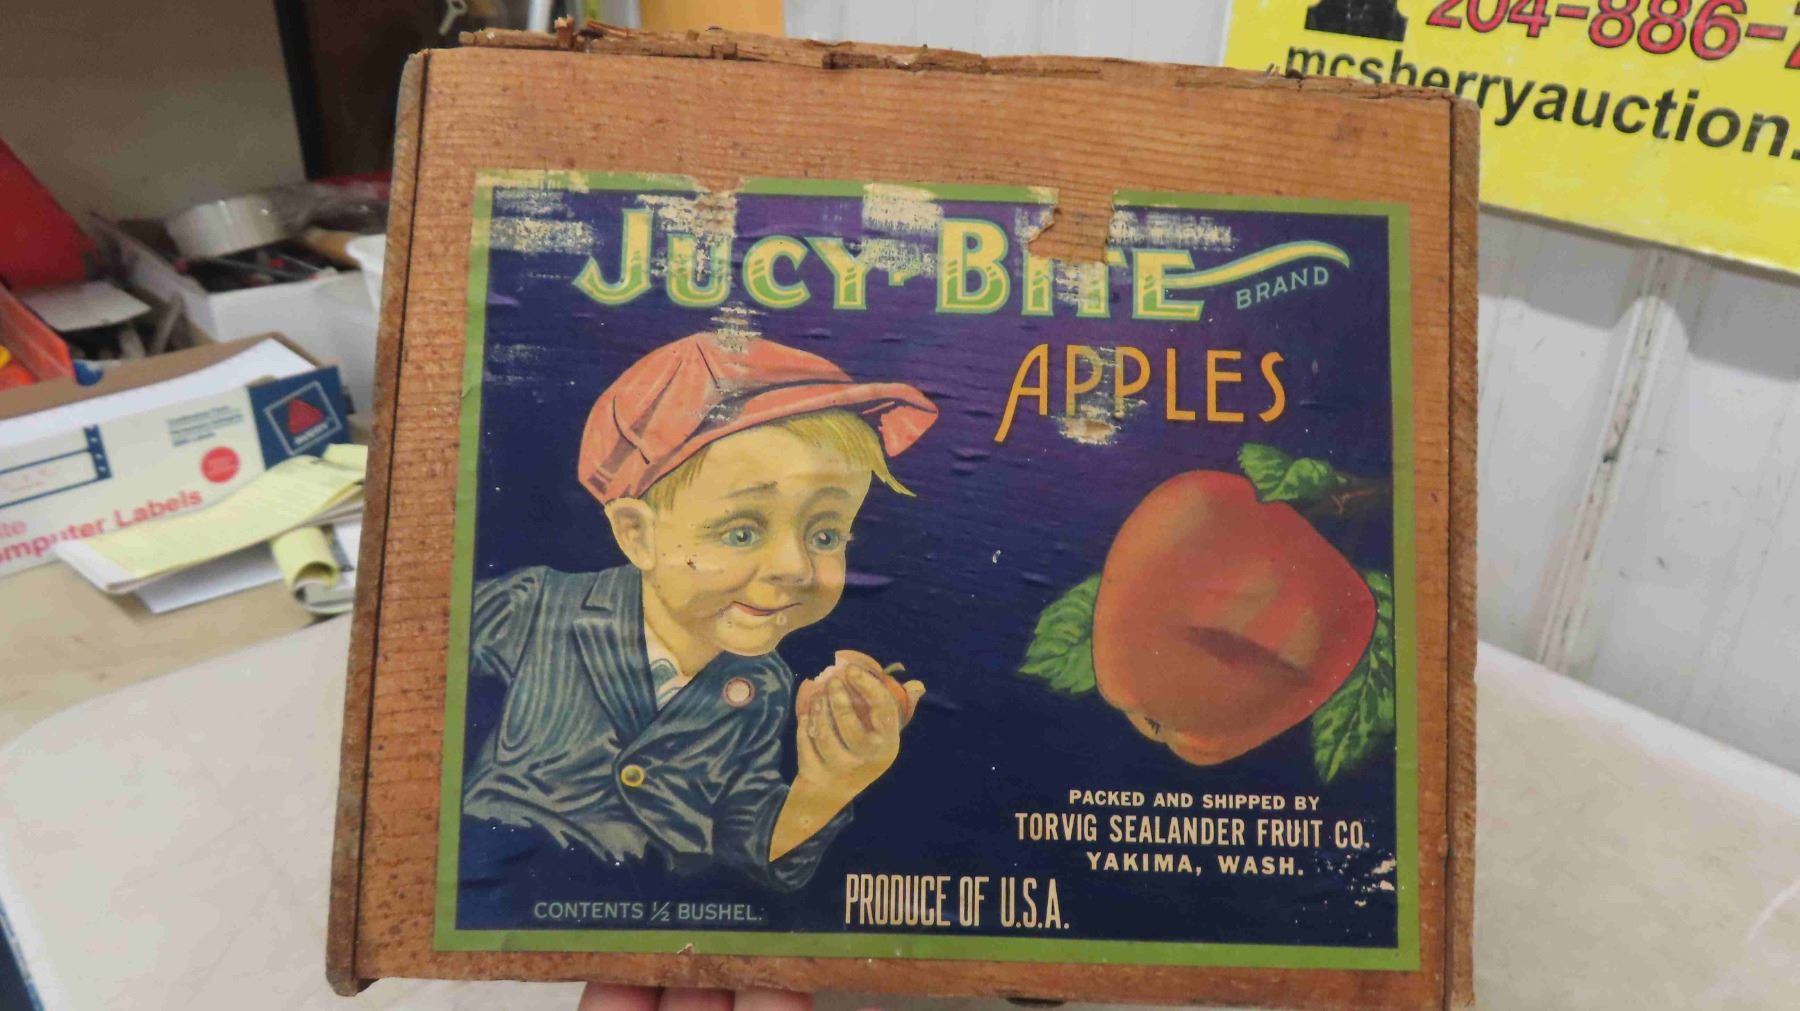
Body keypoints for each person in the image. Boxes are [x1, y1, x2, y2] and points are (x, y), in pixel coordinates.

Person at [460, 332, 937, 893]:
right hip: (505, 885)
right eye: (742, 531)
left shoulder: (763, 685)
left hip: (654, 908)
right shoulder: (537, 606)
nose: (796, 568)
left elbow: (749, 843)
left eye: (826, 534)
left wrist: (828, 785)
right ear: (637, 535)